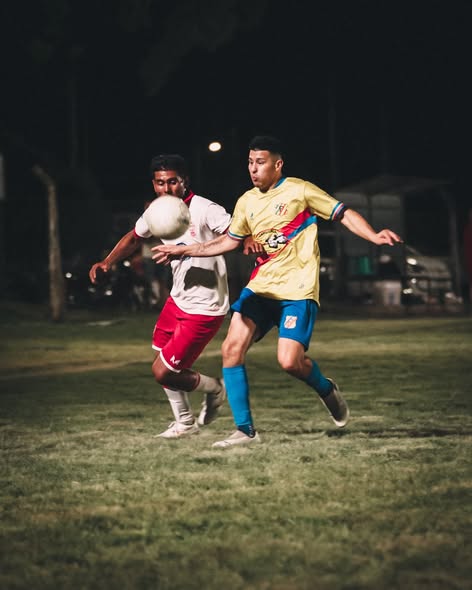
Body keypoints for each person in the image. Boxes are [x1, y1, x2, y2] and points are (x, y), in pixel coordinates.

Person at [154, 135, 403, 448]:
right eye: (249, 162)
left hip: (297, 290)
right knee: (231, 349)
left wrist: (374, 235)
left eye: (260, 162)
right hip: (260, 289)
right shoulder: (246, 201)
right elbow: (229, 241)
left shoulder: (300, 190)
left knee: (290, 362)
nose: (253, 169)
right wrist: (185, 250)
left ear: (278, 164)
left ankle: (326, 389)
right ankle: (245, 431)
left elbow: (343, 213)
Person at [89, 154, 234, 438]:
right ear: (153, 184)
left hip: (206, 306)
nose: (166, 188)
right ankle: (185, 422)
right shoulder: (158, 211)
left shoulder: (205, 209)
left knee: (162, 372)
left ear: (184, 181)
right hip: (178, 298)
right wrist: (107, 262)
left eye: (172, 182)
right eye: (160, 183)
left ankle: (216, 388)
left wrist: (188, 250)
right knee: (161, 355)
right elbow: (134, 237)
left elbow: (235, 237)